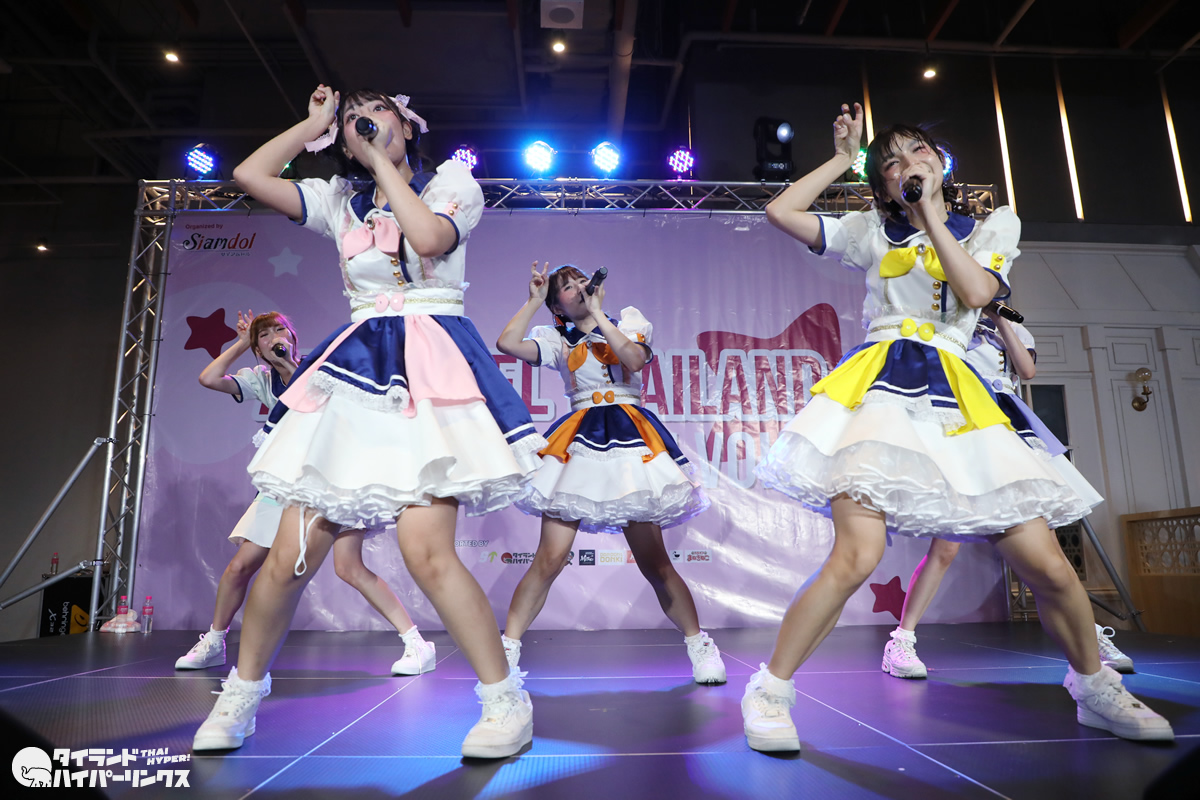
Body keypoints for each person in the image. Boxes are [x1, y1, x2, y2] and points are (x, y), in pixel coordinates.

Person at [742, 102, 1172, 751]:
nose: (906, 165)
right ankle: (771, 689)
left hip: (960, 394)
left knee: (1049, 566)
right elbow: (781, 213)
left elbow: (975, 293)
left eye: (916, 151)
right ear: (883, 185)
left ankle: (1093, 686)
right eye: (891, 163)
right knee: (855, 556)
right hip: (879, 389)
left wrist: (933, 221)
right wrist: (840, 159)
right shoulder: (869, 231)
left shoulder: (994, 224)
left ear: (938, 163)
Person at [191, 85, 545, 759]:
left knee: (426, 552)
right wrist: (313, 125)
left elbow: (430, 237)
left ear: (407, 125)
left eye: (379, 108)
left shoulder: (452, 182)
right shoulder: (337, 200)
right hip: (356, 372)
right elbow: (250, 175)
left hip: (431, 368)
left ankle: (505, 701)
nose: (366, 119)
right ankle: (240, 694)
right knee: (290, 557)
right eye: (355, 115)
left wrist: (380, 159)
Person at [495, 262, 725, 683]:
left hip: (630, 439)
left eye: (581, 280)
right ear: (558, 307)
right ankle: (505, 652)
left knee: (654, 563)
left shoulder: (628, 323)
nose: (579, 287)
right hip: (578, 439)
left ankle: (700, 646)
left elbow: (634, 360)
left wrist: (599, 314)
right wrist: (533, 300)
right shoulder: (555, 339)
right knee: (549, 558)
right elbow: (507, 343)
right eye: (567, 287)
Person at [179, 310, 436, 678]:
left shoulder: (323, 368)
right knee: (241, 566)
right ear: (258, 348)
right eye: (264, 335)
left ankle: (416, 643)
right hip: (286, 483)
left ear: (293, 337)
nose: (273, 337)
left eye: (279, 330)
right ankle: (214, 642)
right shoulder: (261, 379)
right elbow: (208, 378)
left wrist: (287, 365)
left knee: (349, 567)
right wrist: (241, 342)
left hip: (334, 477)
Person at [881, 311, 1134, 678]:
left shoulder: (1010, 328)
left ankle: (1089, 637)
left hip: (1009, 428)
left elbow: (1026, 371)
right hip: (965, 424)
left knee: (1048, 549)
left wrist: (1000, 322)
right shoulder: (950, 321)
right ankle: (901, 641)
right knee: (945, 547)